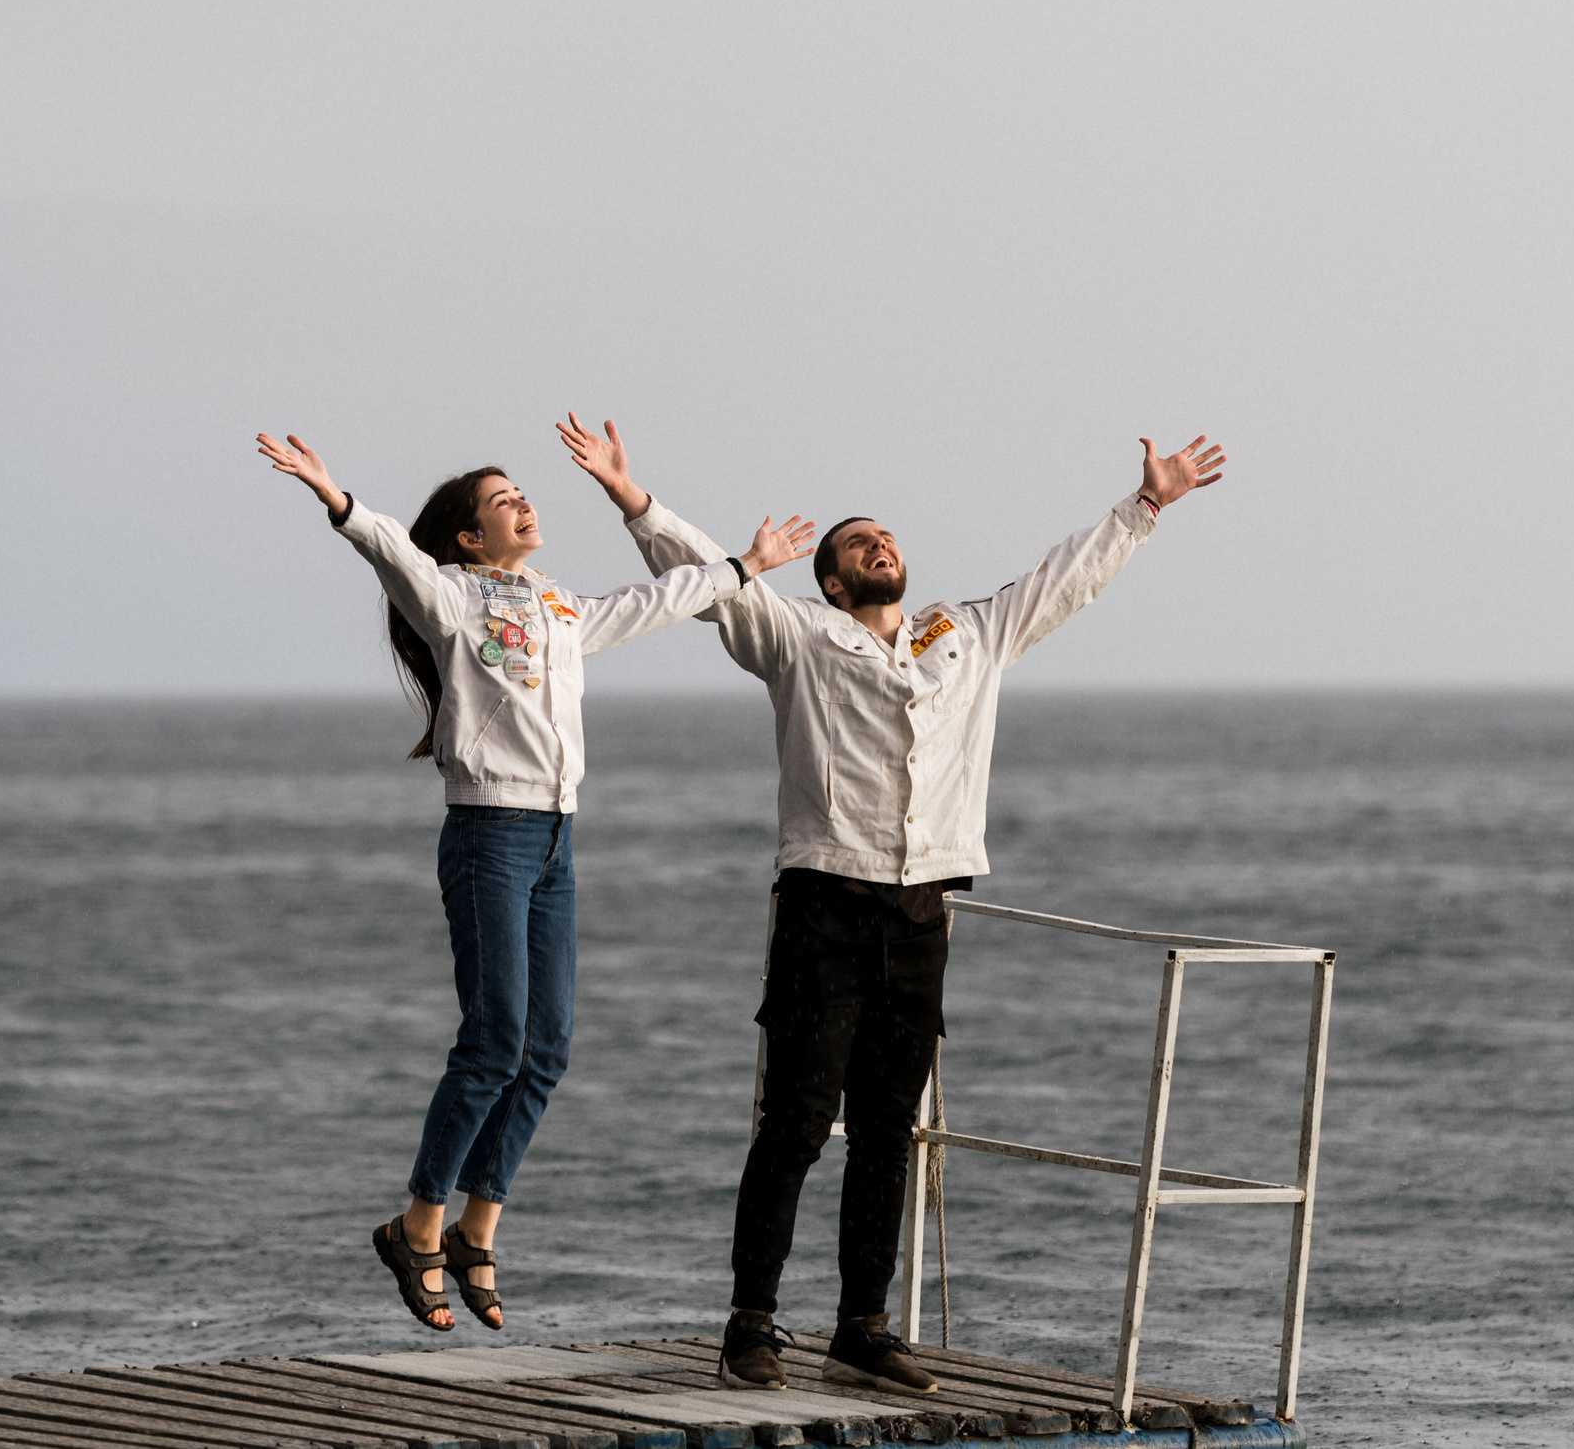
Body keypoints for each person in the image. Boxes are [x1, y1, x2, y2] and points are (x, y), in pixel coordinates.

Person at [557, 413, 1227, 1393]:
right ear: (831, 579)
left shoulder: (966, 632)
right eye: (856, 542)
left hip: (922, 912)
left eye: (887, 535)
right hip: (824, 901)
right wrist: (633, 498)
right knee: (794, 1120)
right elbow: (710, 576)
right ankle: (751, 1320)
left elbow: (1062, 578)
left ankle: (862, 1323)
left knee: (887, 1127)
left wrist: (1145, 506)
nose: (880, 543)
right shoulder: (799, 634)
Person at [259, 430, 815, 1334]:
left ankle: (480, 1225)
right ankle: (419, 1223)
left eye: (522, 491)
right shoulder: (454, 598)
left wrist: (746, 564)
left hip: (557, 838)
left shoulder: (557, 604)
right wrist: (339, 499)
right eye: (501, 499)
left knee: (547, 1046)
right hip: (490, 835)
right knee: (493, 1041)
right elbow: (394, 551)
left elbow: (655, 599)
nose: (522, 502)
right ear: (471, 539)